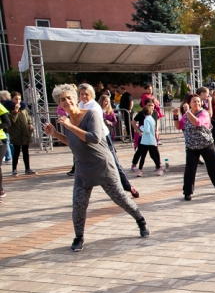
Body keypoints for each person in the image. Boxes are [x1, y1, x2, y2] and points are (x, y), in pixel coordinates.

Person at [43, 84, 149, 251]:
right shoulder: (67, 121)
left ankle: (140, 220)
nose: (66, 101)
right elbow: (73, 142)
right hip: (83, 169)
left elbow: (93, 138)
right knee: (78, 205)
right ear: (59, 104)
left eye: (69, 97)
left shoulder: (91, 114)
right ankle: (79, 237)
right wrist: (55, 134)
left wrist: (69, 126)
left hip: (102, 165)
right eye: (62, 99)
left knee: (120, 198)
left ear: (75, 99)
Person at [173, 94, 215, 200]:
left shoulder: (204, 113)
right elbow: (179, 126)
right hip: (191, 146)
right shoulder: (186, 115)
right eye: (194, 101)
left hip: (206, 144)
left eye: (198, 101)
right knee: (190, 169)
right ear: (189, 103)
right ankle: (187, 192)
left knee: (213, 167)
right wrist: (175, 116)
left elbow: (197, 123)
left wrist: (188, 112)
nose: (197, 103)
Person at [7, 92, 35, 176]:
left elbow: (28, 118)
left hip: (25, 132)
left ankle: (27, 168)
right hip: (16, 133)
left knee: (26, 151)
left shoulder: (23, 109)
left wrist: (30, 124)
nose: (18, 101)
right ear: (12, 99)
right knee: (16, 152)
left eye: (19, 99)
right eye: (16, 99)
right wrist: (15, 111)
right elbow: (11, 121)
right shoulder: (9, 109)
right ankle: (14, 169)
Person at [133, 101, 163, 177]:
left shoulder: (146, 119)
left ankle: (141, 170)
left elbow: (147, 129)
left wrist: (141, 128)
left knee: (148, 155)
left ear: (144, 113)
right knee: (148, 155)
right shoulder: (151, 119)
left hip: (147, 140)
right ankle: (157, 168)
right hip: (148, 140)